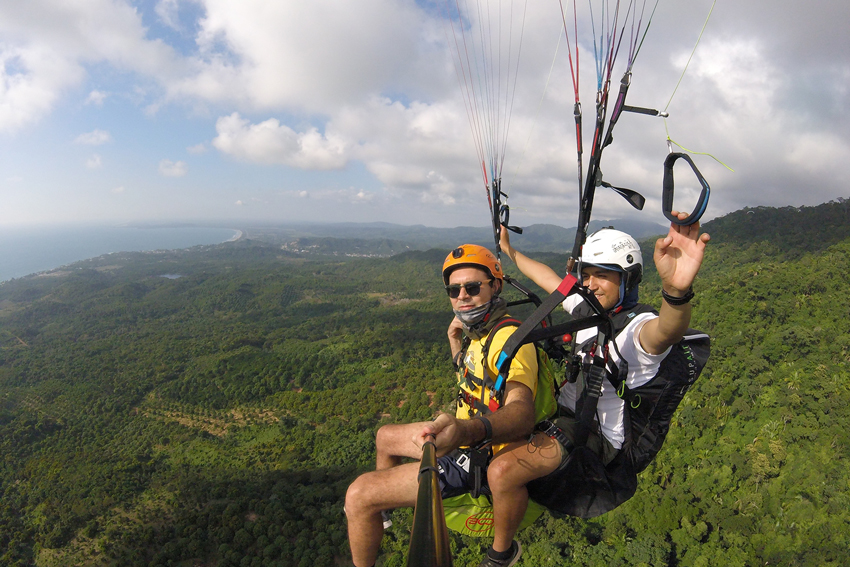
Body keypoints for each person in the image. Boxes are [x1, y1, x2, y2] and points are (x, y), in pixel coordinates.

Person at [345, 244, 559, 567]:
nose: (462, 296)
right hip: (464, 438)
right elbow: (479, 382)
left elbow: (521, 414)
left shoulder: (509, 338)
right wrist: (455, 346)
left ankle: (375, 507)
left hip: (479, 453)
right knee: (384, 437)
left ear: (495, 287)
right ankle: (385, 511)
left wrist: (464, 431)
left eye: (472, 287)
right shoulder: (479, 333)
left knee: (358, 496)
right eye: (454, 289)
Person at [492, 212, 710, 520]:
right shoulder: (588, 309)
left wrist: (676, 292)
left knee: (502, 470)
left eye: (603, 275)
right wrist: (510, 250)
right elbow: (548, 279)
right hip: (564, 411)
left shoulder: (635, 331)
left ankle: (502, 553)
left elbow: (665, 332)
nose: (590, 284)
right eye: (587, 274)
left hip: (595, 436)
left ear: (627, 279)